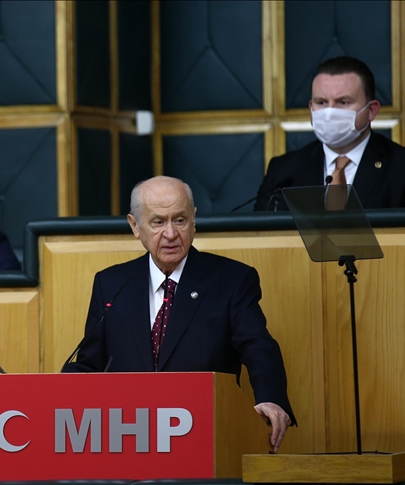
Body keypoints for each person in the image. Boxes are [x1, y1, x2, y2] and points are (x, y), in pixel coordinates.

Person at [64, 176, 295, 452]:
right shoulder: (111, 284)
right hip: (127, 438)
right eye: (158, 222)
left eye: (180, 220)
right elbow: (91, 365)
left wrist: (270, 398)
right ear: (135, 226)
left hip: (204, 436)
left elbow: (259, 347)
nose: (171, 234)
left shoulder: (231, 280)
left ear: (193, 220)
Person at [255, 56, 405, 210]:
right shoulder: (283, 171)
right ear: (311, 108)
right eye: (321, 103)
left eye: (343, 102)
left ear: (371, 110)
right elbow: (260, 237)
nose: (329, 112)